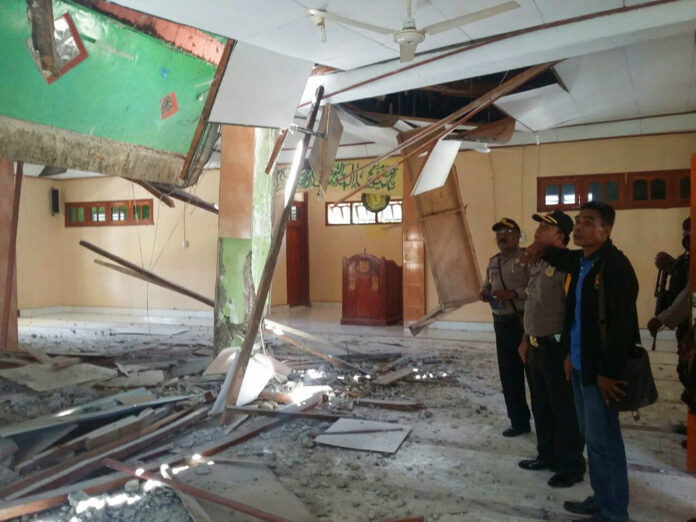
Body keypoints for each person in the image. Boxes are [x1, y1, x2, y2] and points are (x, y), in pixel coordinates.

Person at [523, 201, 636, 522]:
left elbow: (623, 326)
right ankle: (601, 499)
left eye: (588, 221)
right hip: (581, 364)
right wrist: (572, 355)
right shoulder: (581, 262)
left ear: (607, 229)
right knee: (593, 438)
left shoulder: (614, 265)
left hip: (601, 372)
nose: (580, 227)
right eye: (578, 221)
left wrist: (608, 372)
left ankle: (614, 512)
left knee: (604, 441)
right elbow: (576, 318)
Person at [517, 210, 585, 488]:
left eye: (547, 226)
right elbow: (533, 306)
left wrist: (570, 352)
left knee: (564, 409)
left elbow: (574, 313)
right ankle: (546, 455)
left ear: (561, 236)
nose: (539, 229)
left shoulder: (570, 266)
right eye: (540, 225)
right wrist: (525, 339)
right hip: (535, 347)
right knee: (541, 405)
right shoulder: (538, 261)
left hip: (557, 349)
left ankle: (571, 465)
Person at [479, 217, 531, 437]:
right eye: (499, 233)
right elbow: (488, 283)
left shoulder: (527, 259)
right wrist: (484, 291)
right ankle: (518, 422)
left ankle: (548, 422)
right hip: (501, 323)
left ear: (518, 236)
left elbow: (536, 289)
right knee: (509, 375)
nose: (502, 236)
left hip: (522, 323)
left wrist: (513, 294)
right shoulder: (494, 261)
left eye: (508, 231)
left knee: (534, 375)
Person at [648, 217, 690, 343]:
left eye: (688, 233)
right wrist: (669, 263)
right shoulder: (688, 257)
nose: (685, 237)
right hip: (685, 327)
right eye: (684, 233)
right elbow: (682, 270)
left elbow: (689, 295)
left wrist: (662, 319)